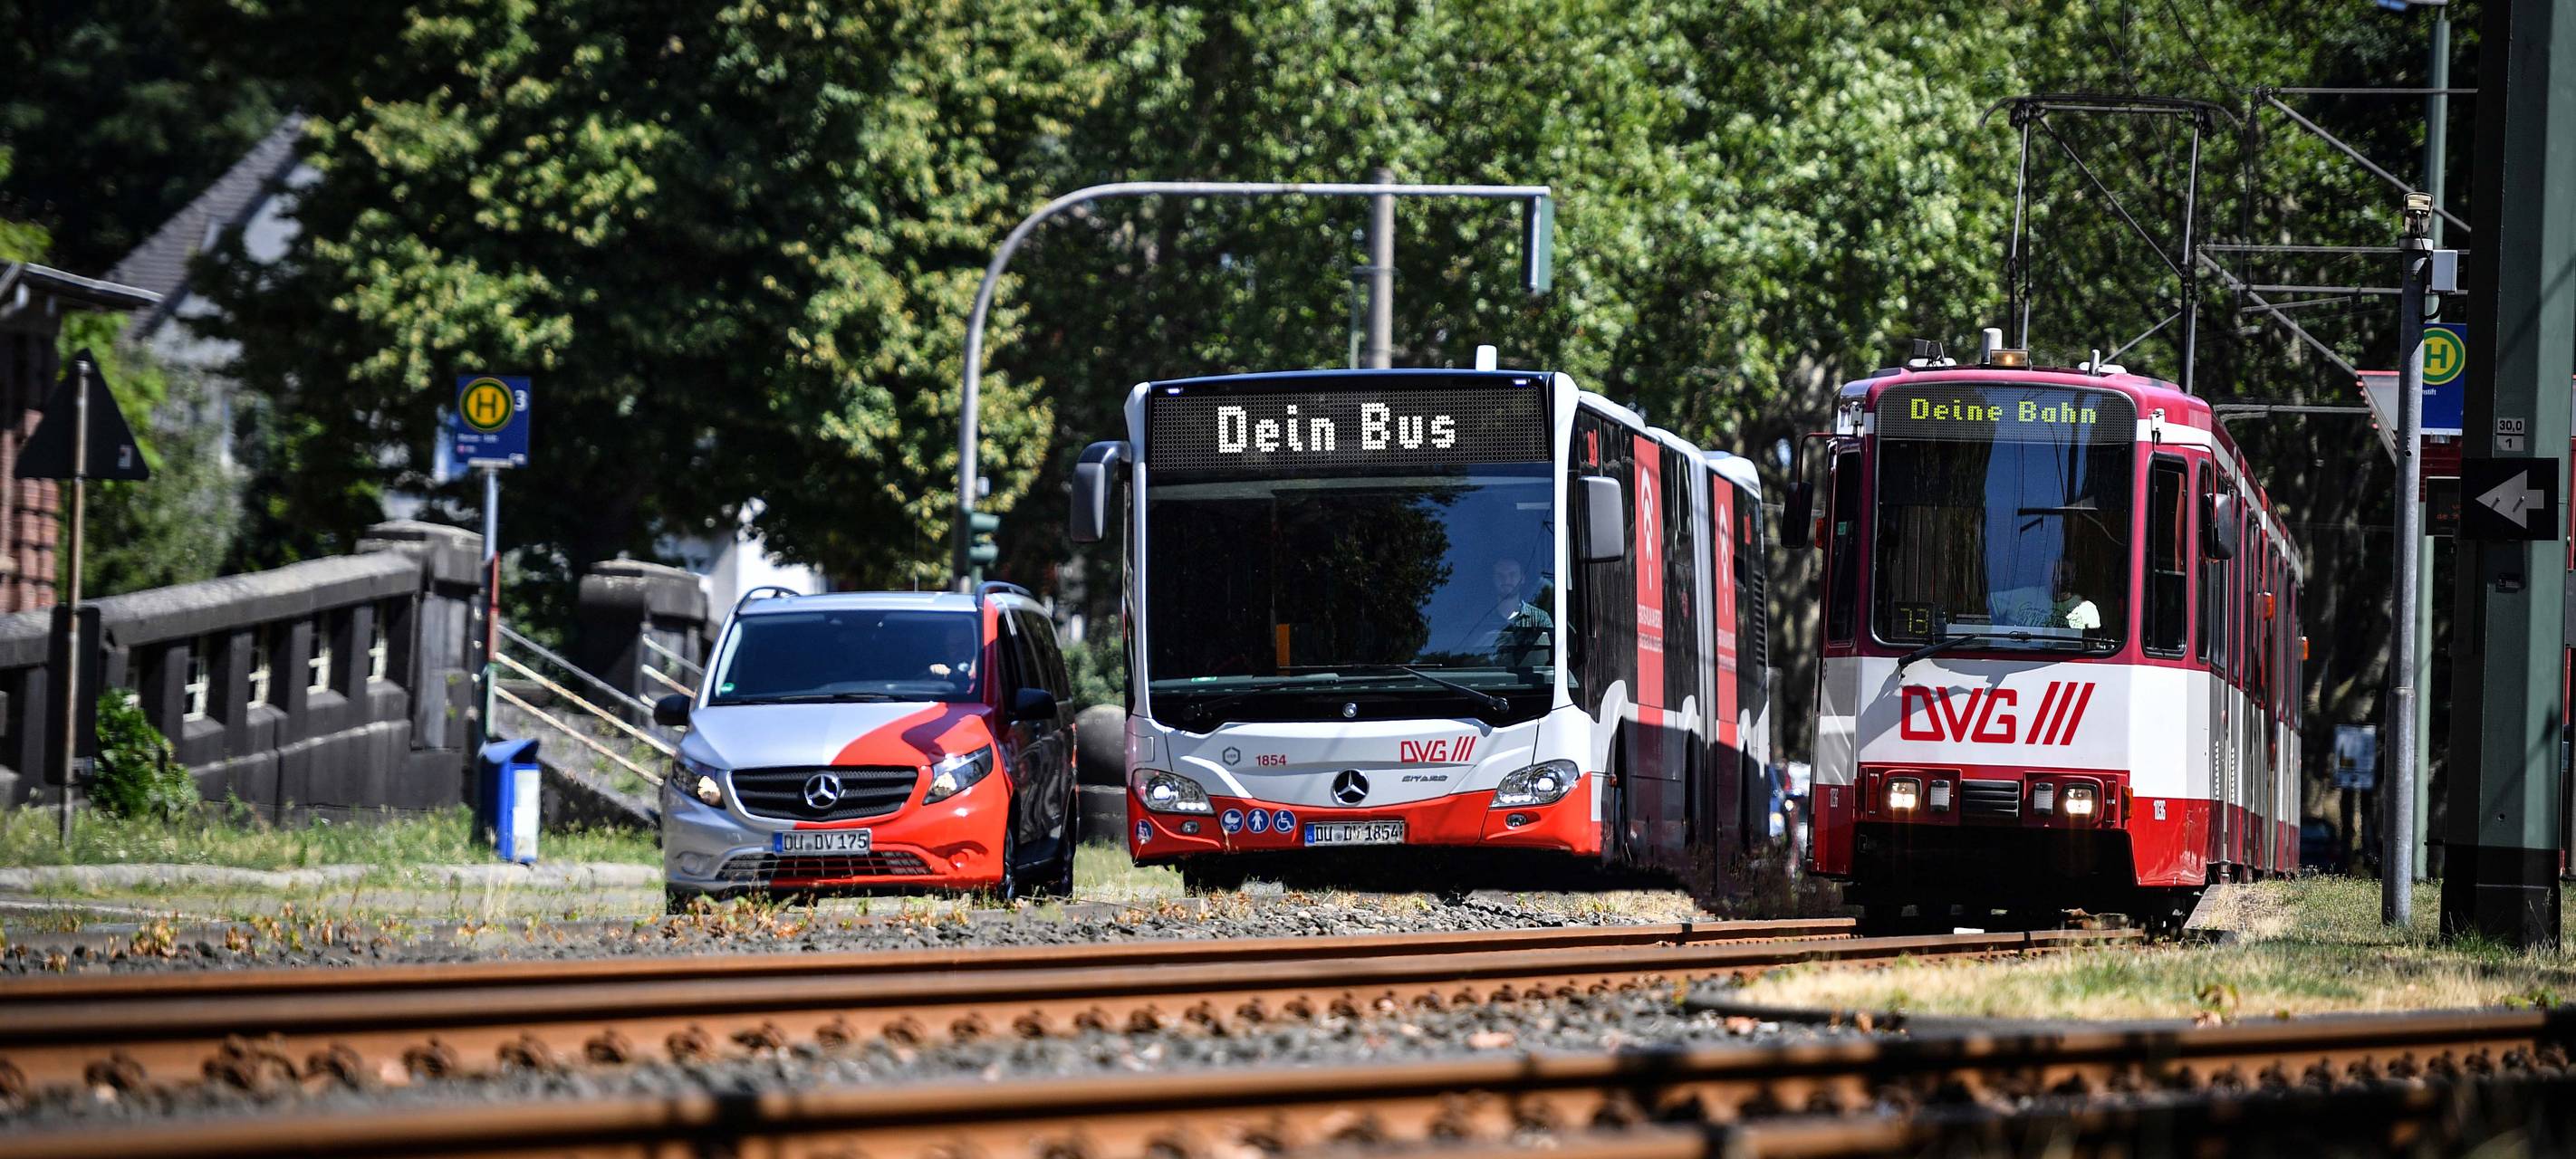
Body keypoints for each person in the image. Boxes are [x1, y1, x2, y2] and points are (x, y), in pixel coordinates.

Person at [1483, 557, 1552, 666]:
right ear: (1493, 579)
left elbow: (1551, 658)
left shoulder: (1540, 618)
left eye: (1512, 575)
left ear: (1522, 578)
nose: (1506, 580)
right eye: (1500, 576)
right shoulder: (1481, 619)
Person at [2051, 559, 2100, 633]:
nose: (2058, 578)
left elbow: (2092, 643)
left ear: (2074, 576)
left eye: (2064, 573)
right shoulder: (2029, 595)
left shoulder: (2088, 609)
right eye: (2054, 572)